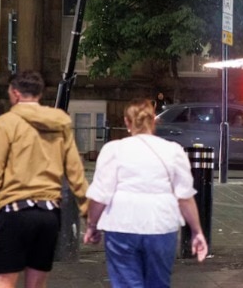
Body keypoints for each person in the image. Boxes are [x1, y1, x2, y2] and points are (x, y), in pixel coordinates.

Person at [0, 70, 90, 287]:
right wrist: (87, 213)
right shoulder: (60, 122)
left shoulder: (5, 123)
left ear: (16, 93)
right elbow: (75, 171)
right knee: (36, 284)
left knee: (1, 280)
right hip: (49, 214)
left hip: (14, 211)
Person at [83, 98, 208, 287]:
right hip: (161, 225)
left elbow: (100, 195)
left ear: (127, 121)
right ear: (154, 121)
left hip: (121, 226)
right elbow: (185, 197)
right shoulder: (173, 151)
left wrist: (92, 226)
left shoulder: (113, 150)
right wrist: (197, 232)